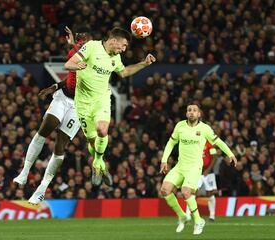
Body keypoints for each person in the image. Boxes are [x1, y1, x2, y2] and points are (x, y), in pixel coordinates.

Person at [64, 27, 155, 185]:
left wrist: (144, 64)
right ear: (113, 41)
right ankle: (100, 164)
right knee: (93, 142)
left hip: (102, 100)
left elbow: (124, 72)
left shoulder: (116, 58)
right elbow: (68, 64)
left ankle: (97, 162)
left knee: (102, 130)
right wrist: (76, 66)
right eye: (123, 45)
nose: (124, 49)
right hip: (83, 102)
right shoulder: (92, 46)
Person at [13, 26, 90, 204]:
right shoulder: (75, 52)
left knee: (60, 146)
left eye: (83, 40)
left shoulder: (96, 61)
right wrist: (54, 87)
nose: (79, 43)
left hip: (79, 106)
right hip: (63, 98)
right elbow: (71, 76)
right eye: (78, 40)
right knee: (44, 129)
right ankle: (24, 173)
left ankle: (42, 188)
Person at [160, 103, 237, 235]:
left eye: (194, 110)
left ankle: (198, 220)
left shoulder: (205, 129)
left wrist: (230, 154)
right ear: (186, 113)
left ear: (199, 114)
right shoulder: (180, 126)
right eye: (189, 110)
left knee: (185, 191)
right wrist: (164, 160)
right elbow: (171, 142)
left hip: (195, 167)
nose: (191, 112)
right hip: (180, 166)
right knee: (164, 190)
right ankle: (183, 216)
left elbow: (218, 142)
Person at [185, 140, 218, 222]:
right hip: (197, 172)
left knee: (210, 193)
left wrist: (209, 169)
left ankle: (212, 216)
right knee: (193, 192)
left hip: (208, 172)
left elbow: (215, 156)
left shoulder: (209, 143)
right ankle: (187, 215)